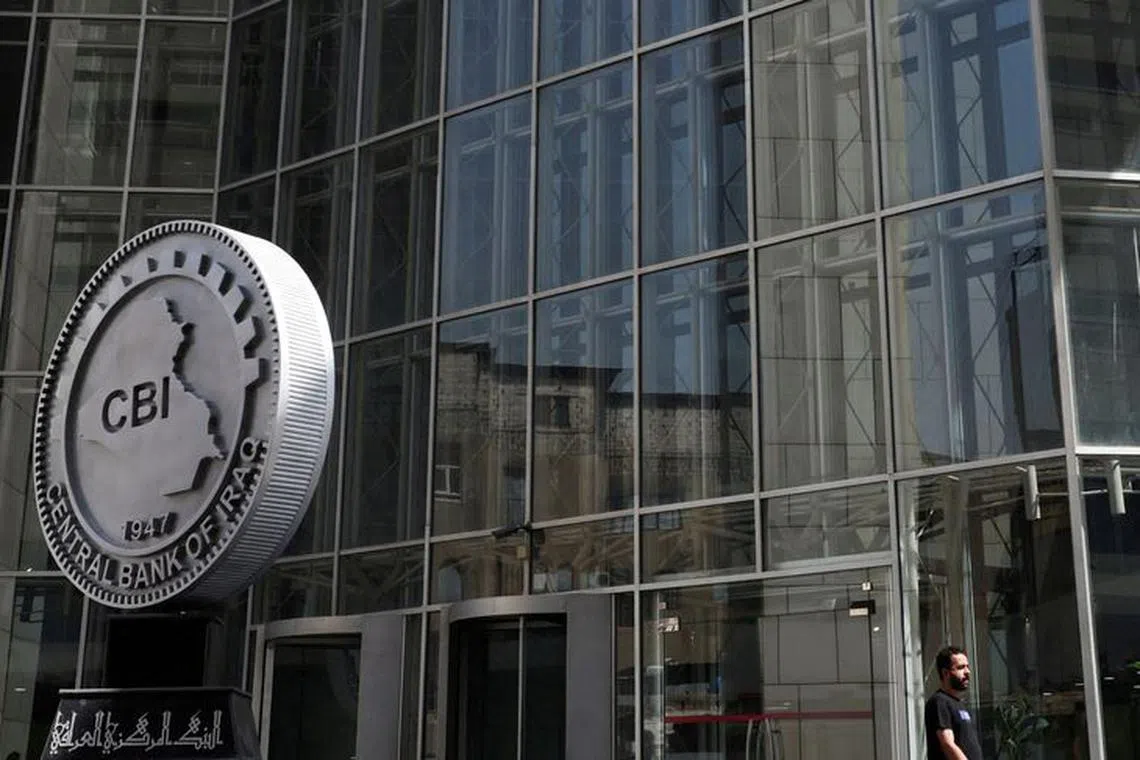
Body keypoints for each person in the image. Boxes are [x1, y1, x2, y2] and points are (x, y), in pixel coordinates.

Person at [925, 646, 984, 760]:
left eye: (967, 667)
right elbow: (948, 743)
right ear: (945, 673)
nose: (967, 672)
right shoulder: (939, 702)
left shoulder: (958, 704)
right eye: (961, 667)